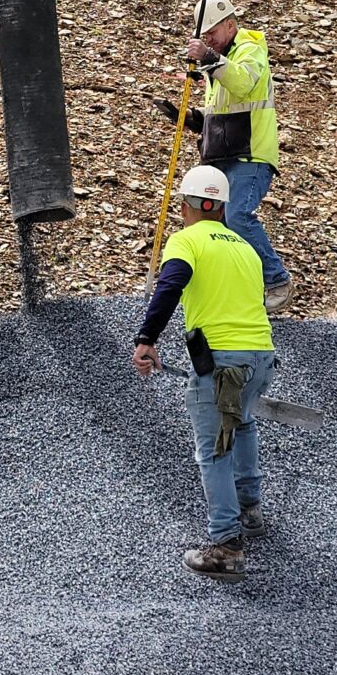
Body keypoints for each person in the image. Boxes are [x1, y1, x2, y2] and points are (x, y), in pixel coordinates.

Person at [131, 164, 276, 577]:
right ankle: (251, 512)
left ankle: (226, 546)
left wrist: (147, 338)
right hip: (261, 356)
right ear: (222, 207)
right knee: (243, 424)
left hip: (222, 362)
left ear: (184, 206)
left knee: (214, 449)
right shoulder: (244, 247)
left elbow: (170, 284)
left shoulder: (186, 240)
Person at [183, 0, 293, 314]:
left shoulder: (250, 48)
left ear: (230, 25)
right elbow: (223, 109)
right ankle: (239, 287)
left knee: (237, 215)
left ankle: (277, 282)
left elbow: (243, 83)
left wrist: (208, 57)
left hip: (251, 154)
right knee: (218, 224)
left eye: (212, 33)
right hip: (223, 154)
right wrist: (194, 117)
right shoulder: (217, 61)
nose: (208, 40)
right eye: (204, 36)